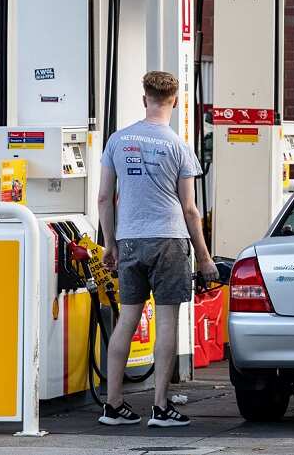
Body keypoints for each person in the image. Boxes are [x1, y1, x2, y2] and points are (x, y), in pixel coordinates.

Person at [96, 71, 218, 427]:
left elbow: (104, 197)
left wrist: (110, 242)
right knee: (167, 324)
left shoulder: (118, 140)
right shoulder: (179, 147)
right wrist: (206, 258)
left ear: (143, 97)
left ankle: (113, 405)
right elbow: (190, 209)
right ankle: (161, 408)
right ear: (175, 101)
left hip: (131, 240)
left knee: (126, 321)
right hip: (170, 241)